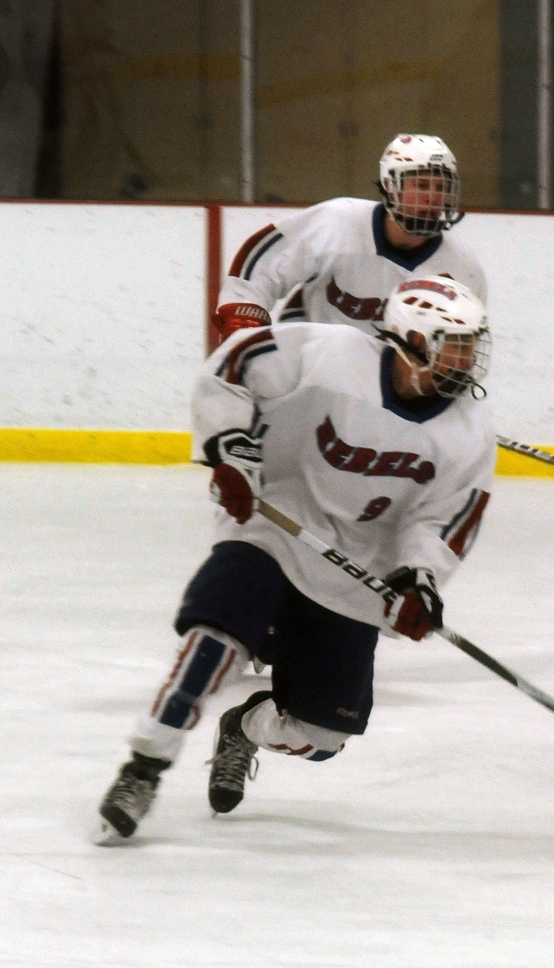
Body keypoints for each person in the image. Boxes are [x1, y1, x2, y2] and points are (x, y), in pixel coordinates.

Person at [96, 275, 495, 842]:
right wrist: (229, 448)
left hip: (358, 568)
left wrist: (420, 580)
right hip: (275, 521)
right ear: (411, 342)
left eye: (471, 345)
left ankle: (247, 727)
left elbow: (444, 519)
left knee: (324, 736)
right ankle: (143, 768)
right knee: (214, 642)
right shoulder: (326, 354)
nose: (467, 360)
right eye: (454, 346)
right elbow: (232, 368)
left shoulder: (470, 431)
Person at [212, 134, 487, 344]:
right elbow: (266, 263)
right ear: (392, 185)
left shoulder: (462, 271)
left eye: (442, 187)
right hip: (312, 363)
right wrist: (244, 310)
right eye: (422, 185)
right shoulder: (339, 222)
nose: (433, 197)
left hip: (390, 389)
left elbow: (462, 350)